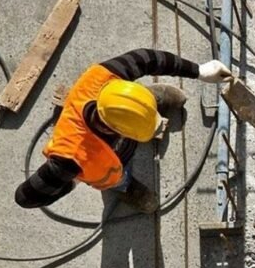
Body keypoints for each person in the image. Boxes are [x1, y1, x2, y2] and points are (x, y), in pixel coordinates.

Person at [14, 49, 232, 212]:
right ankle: (125, 187)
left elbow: (148, 59)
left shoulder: (104, 76)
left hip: (125, 107)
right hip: (110, 169)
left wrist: (199, 71)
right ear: (118, 130)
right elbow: (24, 197)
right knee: (117, 178)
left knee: (142, 104)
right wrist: (73, 181)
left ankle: (150, 100)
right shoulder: (69, 159)